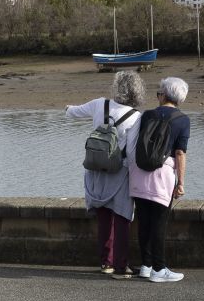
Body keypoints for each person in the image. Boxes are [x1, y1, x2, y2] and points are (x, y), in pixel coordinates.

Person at [65, 70, 145, 279]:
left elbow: (72, 112)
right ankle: (121, 266)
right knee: (121, 218)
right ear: (137, 92)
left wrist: (67, 107)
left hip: (95, 169)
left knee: (103, 217)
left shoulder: (99, 104)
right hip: (120, 171)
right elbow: (134, 149)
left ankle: (105, 262)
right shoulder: (137, 117)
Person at [126, 76, 191, 283]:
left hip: (139, 174)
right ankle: (159, 269)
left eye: (158, 93)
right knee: (159, 224)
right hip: (161, 177)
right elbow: (179, 153)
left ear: (164, 95)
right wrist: (180, 183)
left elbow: (134, 141)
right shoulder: (182, 120)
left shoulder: (147, 115)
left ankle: (146, 266)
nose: (158, 96)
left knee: (143, 222)